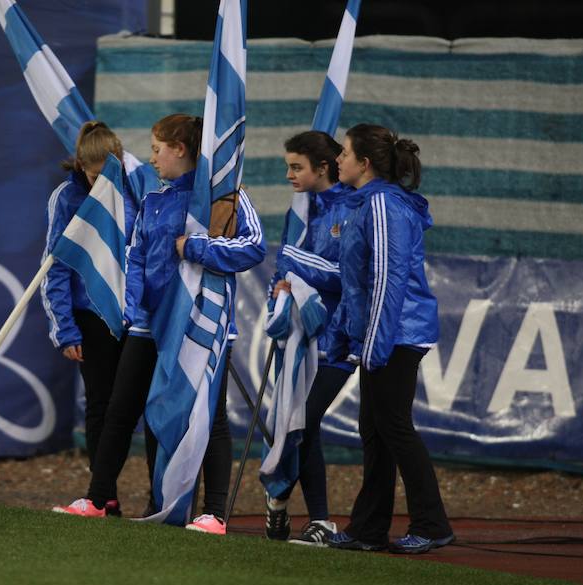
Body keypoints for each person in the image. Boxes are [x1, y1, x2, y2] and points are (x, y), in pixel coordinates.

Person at [53, 114, 265, 535]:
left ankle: (213, 513)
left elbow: (252, 247)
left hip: (201, 325)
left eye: (156, 150)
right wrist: (132, 308)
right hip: (149, 324)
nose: (151, 159)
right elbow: (135, 256)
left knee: (210, 417)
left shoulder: (224, 196)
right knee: (121, 409)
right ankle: (98, 499)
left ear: (180, 150)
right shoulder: (154, 199)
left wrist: (197, 247)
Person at [324, 123, 454, 554]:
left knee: (393, 427)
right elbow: (356, 282)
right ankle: (368, 529)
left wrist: (375, 345)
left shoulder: (382, 205)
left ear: (364, 163)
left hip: (397, 334)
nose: (337, 160)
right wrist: (347, 335)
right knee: (376, 430)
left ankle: (432, 525)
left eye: (344, 153)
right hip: (384, 335)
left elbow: (387, 278)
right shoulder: (366, 203)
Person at [261, 131, 357, 546]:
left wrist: (294, 265)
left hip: (340, 337)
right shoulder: (302, 209)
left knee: (306, 420)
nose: (289, 175)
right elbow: (284, 266)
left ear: (323, 167)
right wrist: (279, 292)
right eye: (288, 166)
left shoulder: (351, 208)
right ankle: (290, 507)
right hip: (302, 335)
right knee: (296, 422)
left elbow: (348, 275)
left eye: (296, 167)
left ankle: (309, 512)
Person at [41, 121, 140, 516]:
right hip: (91, 318)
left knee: (129, 405)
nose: (100, 183)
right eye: (93, 175)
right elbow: (55, 268)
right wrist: (65, 329)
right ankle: (104, 494)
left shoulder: (135, 190)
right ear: (80, 166)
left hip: (134, 319)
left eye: (107, 175)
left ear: (119, 165)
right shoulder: (67, 198)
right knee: (101, 404)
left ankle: (158, 497)